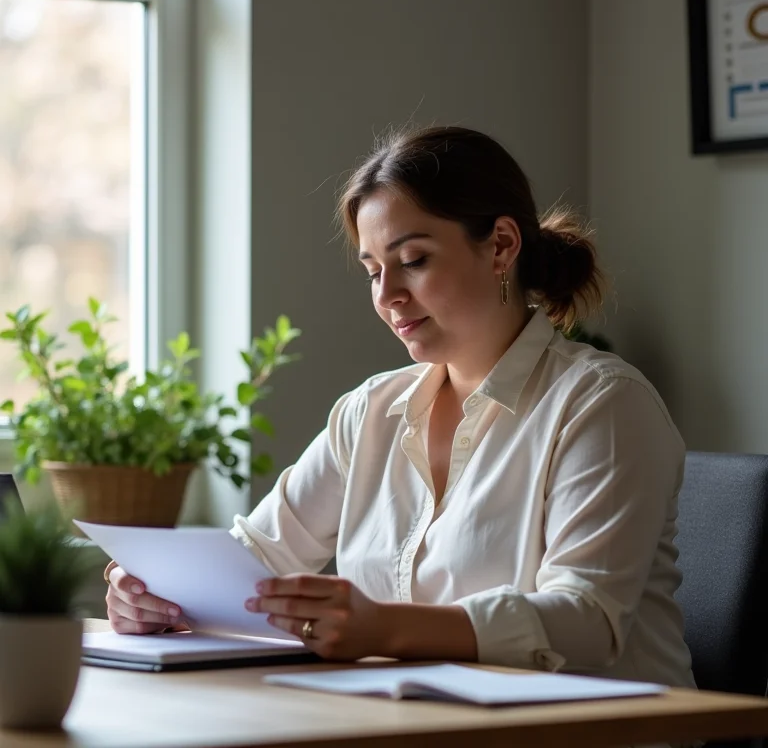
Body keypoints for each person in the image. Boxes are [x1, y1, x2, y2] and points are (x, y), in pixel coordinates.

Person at [105, 125, 696, 691]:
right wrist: (151, 593)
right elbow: (255, 561)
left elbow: (586, 621)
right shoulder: (370, 412)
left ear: (502, 247)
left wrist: (385, 627)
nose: (387, 296)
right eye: (372, 271)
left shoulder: (602, 403)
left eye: (413, 260)